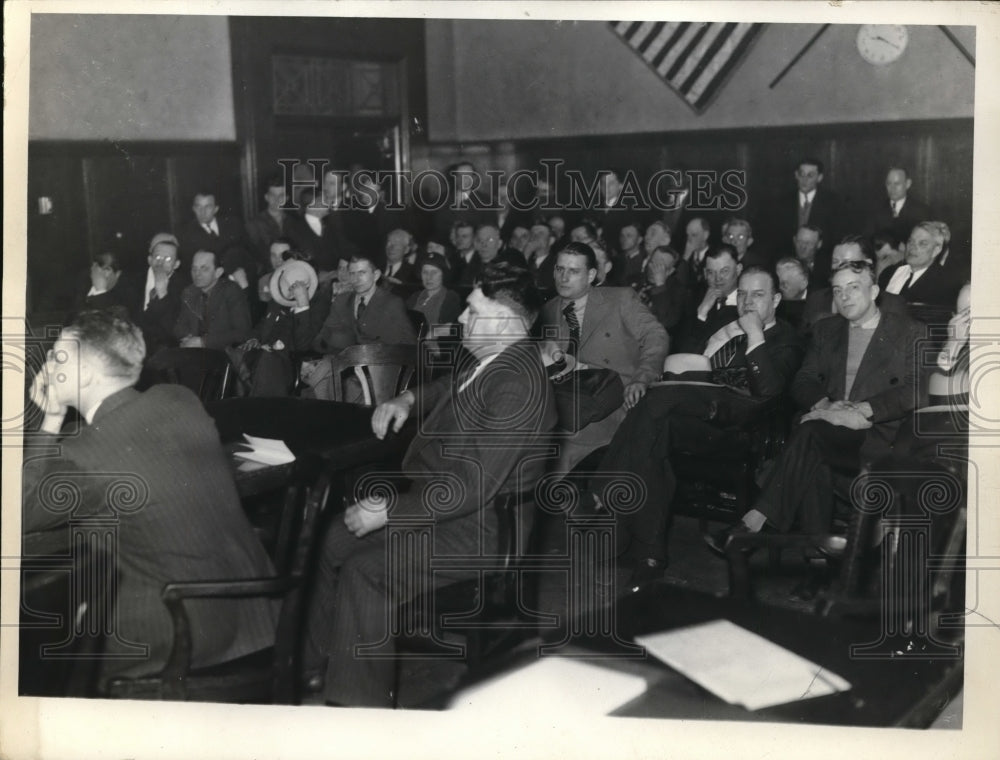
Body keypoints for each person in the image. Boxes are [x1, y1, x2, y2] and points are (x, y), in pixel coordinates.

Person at [302, 261, 557, 707]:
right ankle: (312, 667)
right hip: (449, 511)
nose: (460, 319)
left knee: (367, 571)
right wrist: (408, 397)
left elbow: (471, 486)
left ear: (505, 323)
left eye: (473, 312)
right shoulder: (501, 359)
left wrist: (389, 512)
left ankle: (359, 710)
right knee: (333, 538)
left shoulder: (517, 384)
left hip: (478, 533)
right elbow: (454, 386)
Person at [22, 310, 277, 685]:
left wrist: (51, 419)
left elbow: (18, 514)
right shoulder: (179, 399)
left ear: (86, 374)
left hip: (182, 632)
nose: (47, 364)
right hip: (258, 611)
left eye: (58, 357)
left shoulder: (85, 453)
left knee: (32, 651)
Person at [595, 268, 803, 586]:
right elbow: (686, 356)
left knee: (652, 404)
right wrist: (707, 319)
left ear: (775, 299)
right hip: (696, 415)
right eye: (743, 294)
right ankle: (651, 555)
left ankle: (605, 501)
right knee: (653, 427)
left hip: (739, 430)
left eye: (758, 295)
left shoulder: (786, 336)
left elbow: (770, 391)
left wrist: (756, 336)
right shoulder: (726, 327)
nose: (747, 302)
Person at [709, 259, 924, 548]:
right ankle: (818, 556)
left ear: (873, 291)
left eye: (853, 288)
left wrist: (862, 410)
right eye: (837, 290)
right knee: (813, 444)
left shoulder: (909, 332)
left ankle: (754, 522)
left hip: (879, 436)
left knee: (809, 439)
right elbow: (804, 380)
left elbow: (916, 390)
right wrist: (826, 406)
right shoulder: (827, 330)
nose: (844, 296)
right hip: (830, 430)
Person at [540, 242, 669, 472]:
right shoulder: (548, 310)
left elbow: (656, 336)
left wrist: (642, 378)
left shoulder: (619, 299)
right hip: (565, 399)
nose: (564, 277)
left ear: (591, 275)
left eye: (574, 271)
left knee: (561, 443)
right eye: (560, 269)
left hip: (612, 399)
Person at [235, 258, 323, 396]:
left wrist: (302, 306)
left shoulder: (317, 307)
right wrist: (254, 339)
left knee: (267, 361)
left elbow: (303, 345)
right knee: (234, 355)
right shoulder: (275, 303)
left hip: (288, 363)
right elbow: (262, 325)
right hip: (262, 357)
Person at [173, 249, 252, 350]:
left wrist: (203, 342)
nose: (197, 274)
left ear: (218, 272)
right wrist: (186, 336)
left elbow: (242, 332)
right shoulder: (189, 292)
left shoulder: (231, 291)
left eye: (204, 269)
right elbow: (179, 327)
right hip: (195, 353)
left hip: (224, 354)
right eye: (194, 269)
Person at [866, 166, 931, 244]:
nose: (892, 188)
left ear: (908, 184)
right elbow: (867, 242)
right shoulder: (876, 210)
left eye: (897, 184)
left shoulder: (922, 211)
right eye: (889, 183)